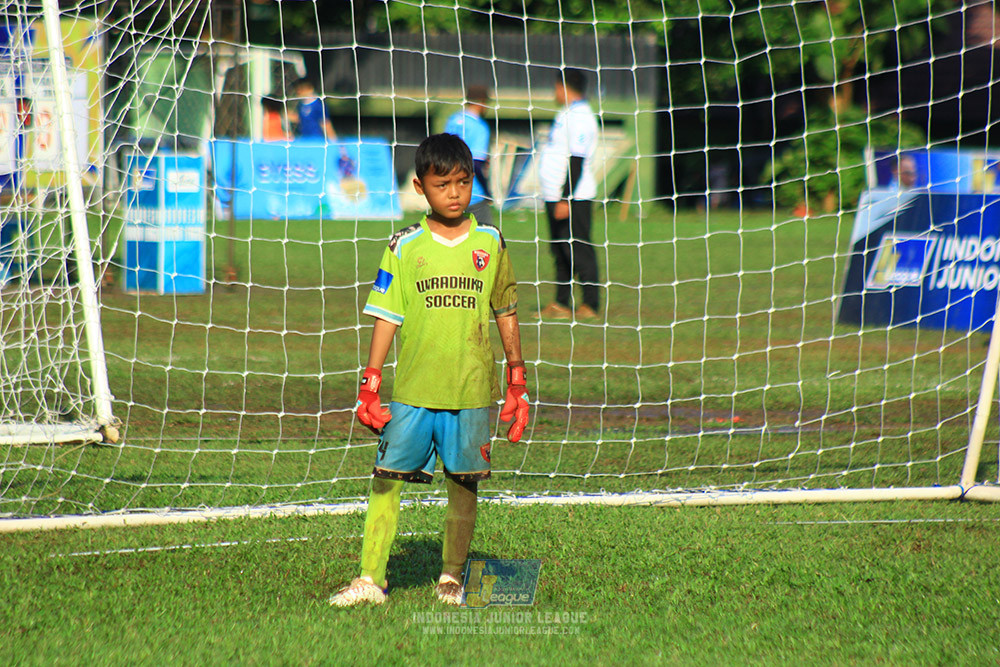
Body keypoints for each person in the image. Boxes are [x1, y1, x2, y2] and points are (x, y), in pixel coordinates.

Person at [329, 133, 530, 608]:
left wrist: (517, 377)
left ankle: (452, 578)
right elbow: (386, 314)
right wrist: (370, 381)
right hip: (414, 391)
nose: (455, 193)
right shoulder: (404, 245)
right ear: (421, 188)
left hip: (471, 389)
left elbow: (506, 310)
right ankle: (369, 579)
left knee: (463, 481)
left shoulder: (491, 241)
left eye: (463, 182)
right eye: (443, 185)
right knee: (386, 476)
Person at [537, 67, 600, 320]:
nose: (554, 92)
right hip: (553, 195)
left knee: (580, 249)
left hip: (574, 198)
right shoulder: (566, 113)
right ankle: (562, 302)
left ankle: (591, 304)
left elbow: (577, 160)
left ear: (563, 87)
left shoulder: (582, 116)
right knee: (560, 250)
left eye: (555, 87)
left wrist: (567, 198)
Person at [444, 85, 493, 226]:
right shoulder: (479, 126)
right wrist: (487, 191)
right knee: (486, 237)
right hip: (472, 193)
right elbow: (476, 163)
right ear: (482, 101)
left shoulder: (453, 120)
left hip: (449, 191)